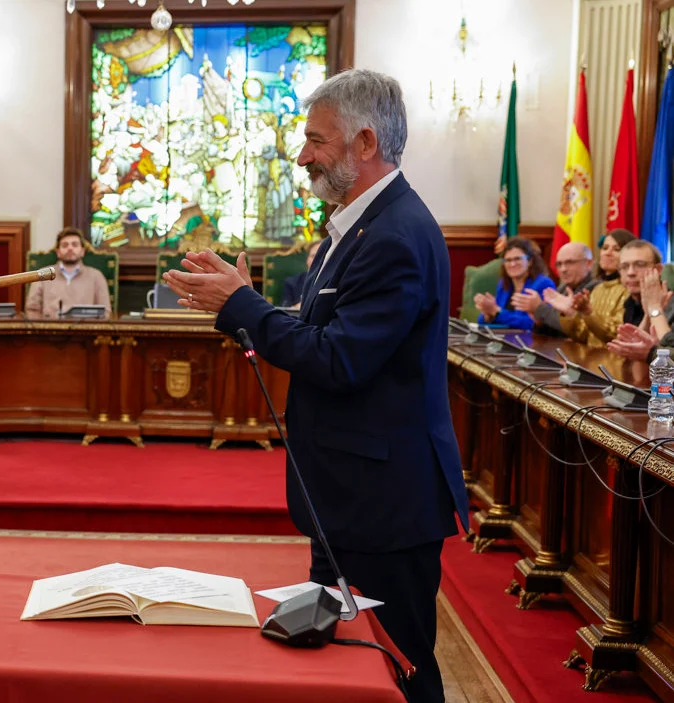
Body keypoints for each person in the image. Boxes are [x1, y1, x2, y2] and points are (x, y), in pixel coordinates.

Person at [161, 69, 468, 703]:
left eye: (315, 140)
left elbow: (339, 359)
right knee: (344, 663)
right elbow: (325, 331)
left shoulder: (393, 236)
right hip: (348, 496)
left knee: (400, 665)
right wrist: (238, 308)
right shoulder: (353, 227)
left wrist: (244, 305)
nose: (302, 156)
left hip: (383, 502)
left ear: (363, 142)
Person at [546, 229, 632, 347]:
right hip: (592, 360)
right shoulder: (598, 289)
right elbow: (585, 335)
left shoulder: (629, 289)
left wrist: (589, 313)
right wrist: (569, 314)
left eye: (616, 249)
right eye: (605, 248)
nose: (608, 252)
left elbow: (616, 334)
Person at [508, 241, 595, 337]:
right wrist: (538, 321)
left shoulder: (595, 289)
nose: (563, 269)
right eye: (559, 264)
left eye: (569, 262)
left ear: (588, 264)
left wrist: (540, 309)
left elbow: (583, 333)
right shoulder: (562, 289)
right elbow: (554, 332)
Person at [606, 239, 674, 361]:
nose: (631, 272)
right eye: (624, 266)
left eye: (640, 264)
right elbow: (633, 350)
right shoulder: (630, 302)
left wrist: (654, 308)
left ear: (658, 270)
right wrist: (648, 315)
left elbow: (668, 356)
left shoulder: (670, 302)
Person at [24, 227, 112, 318]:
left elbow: (105, 312)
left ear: (82, 251)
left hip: (85, 330)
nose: (70, 248)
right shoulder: (43, 275)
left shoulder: (96, 276)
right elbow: (32, 310)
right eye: (65, 245)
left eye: (74, 245)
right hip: (50, 330)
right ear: (58, 252)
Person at [472, 237, 557, 330]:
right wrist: (488, 315)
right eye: (508, 260)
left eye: (517, 259)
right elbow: (484, 320)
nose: (512, 264)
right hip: (504, 339)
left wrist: (496, 312)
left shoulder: (543, 284)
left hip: (532, 341)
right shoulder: (503, 284)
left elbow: (535, 324)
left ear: (530, 261)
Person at [279, 238, 325, 308]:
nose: (317, 260)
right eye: (313, 256)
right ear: (307, 260)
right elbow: (285, 310)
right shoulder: (291, 283)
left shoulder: (337, 282)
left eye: (322, 256)